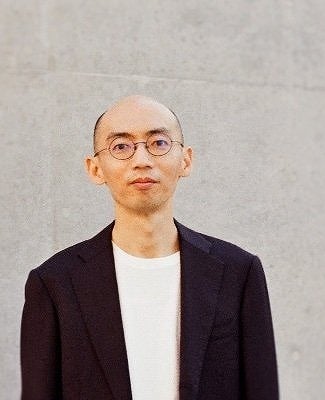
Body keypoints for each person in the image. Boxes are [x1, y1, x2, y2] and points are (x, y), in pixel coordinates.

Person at [20, 95, 279, 400]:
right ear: (95, 168)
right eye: (121, 147)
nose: (141, 160)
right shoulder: (55, 283)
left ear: (185, 160)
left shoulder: (238, 273)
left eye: (158, 143)